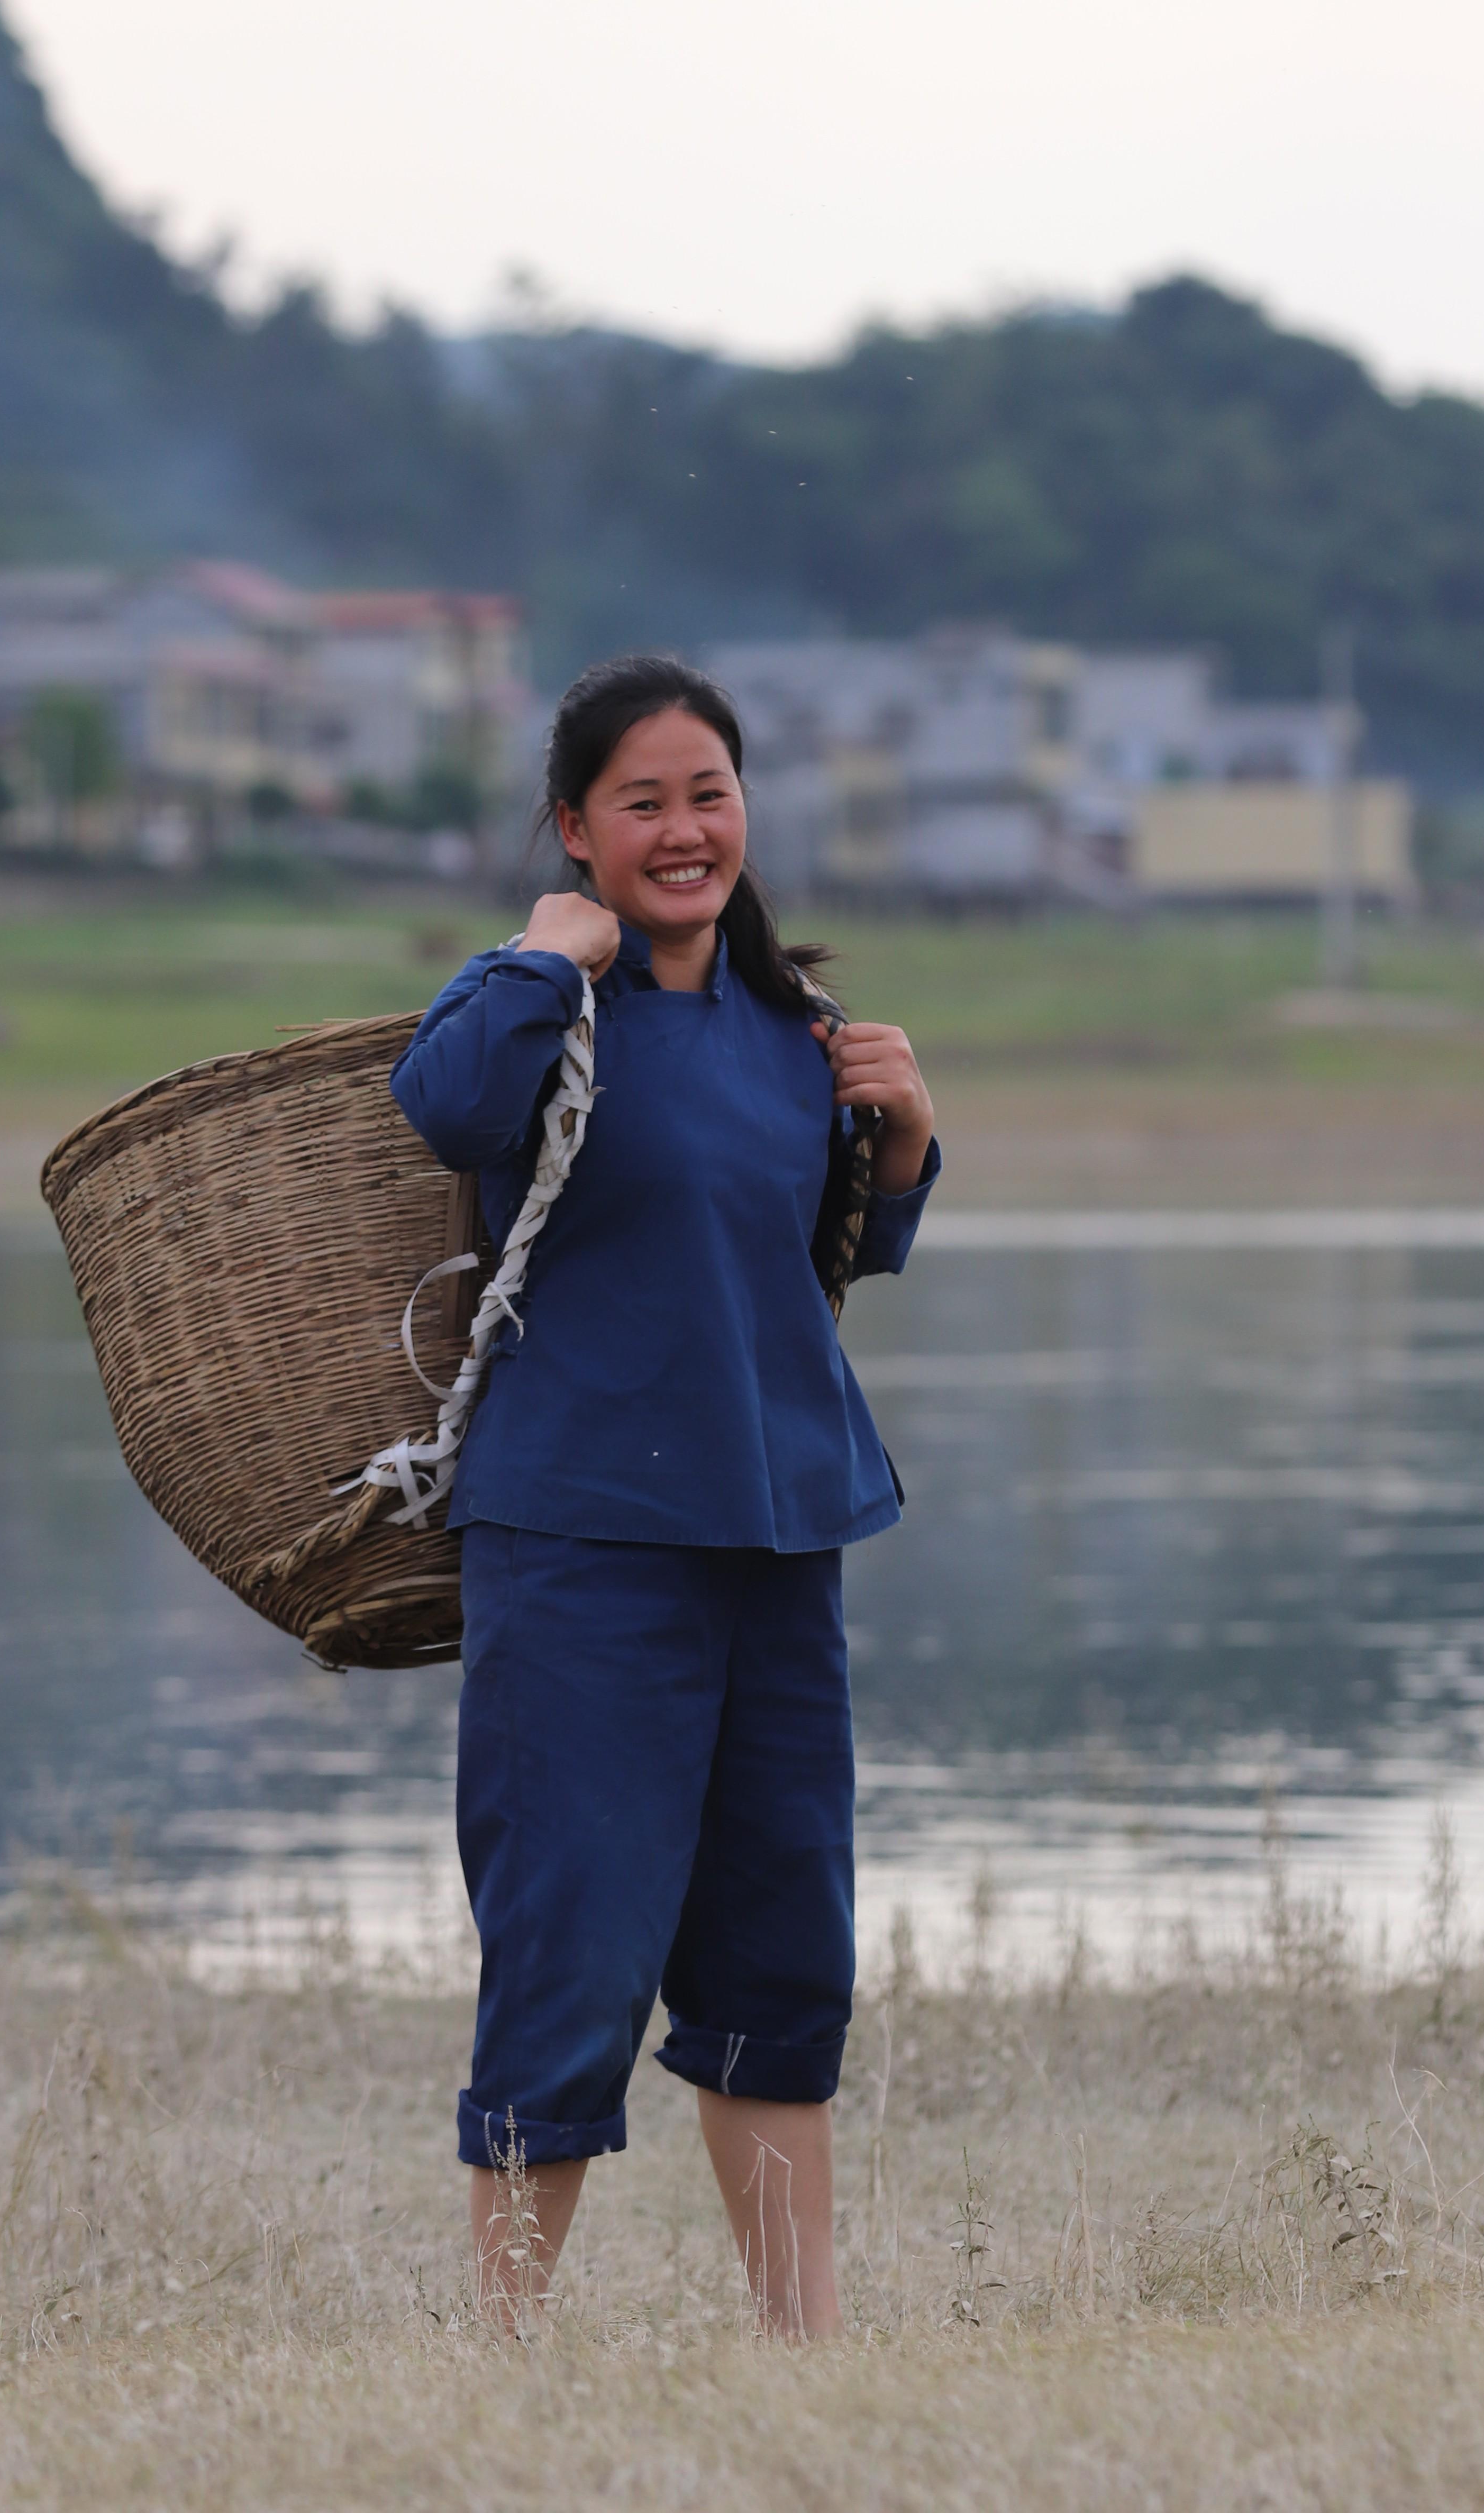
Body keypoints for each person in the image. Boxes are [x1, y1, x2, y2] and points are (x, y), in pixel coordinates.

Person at [390, 652, 937, 2339]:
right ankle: (503, 2358)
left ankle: (809, 2351)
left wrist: (905, 1138)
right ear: (576, 827)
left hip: (782, 1528)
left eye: (711, 794)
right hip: (580, 1544)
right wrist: (540, 954)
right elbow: (443, 1111)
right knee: (569, 1946)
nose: (686, 830)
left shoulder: (798, 1034)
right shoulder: (533, 1009)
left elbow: (830, 1253)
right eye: (645, 802)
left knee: (783, 1958)